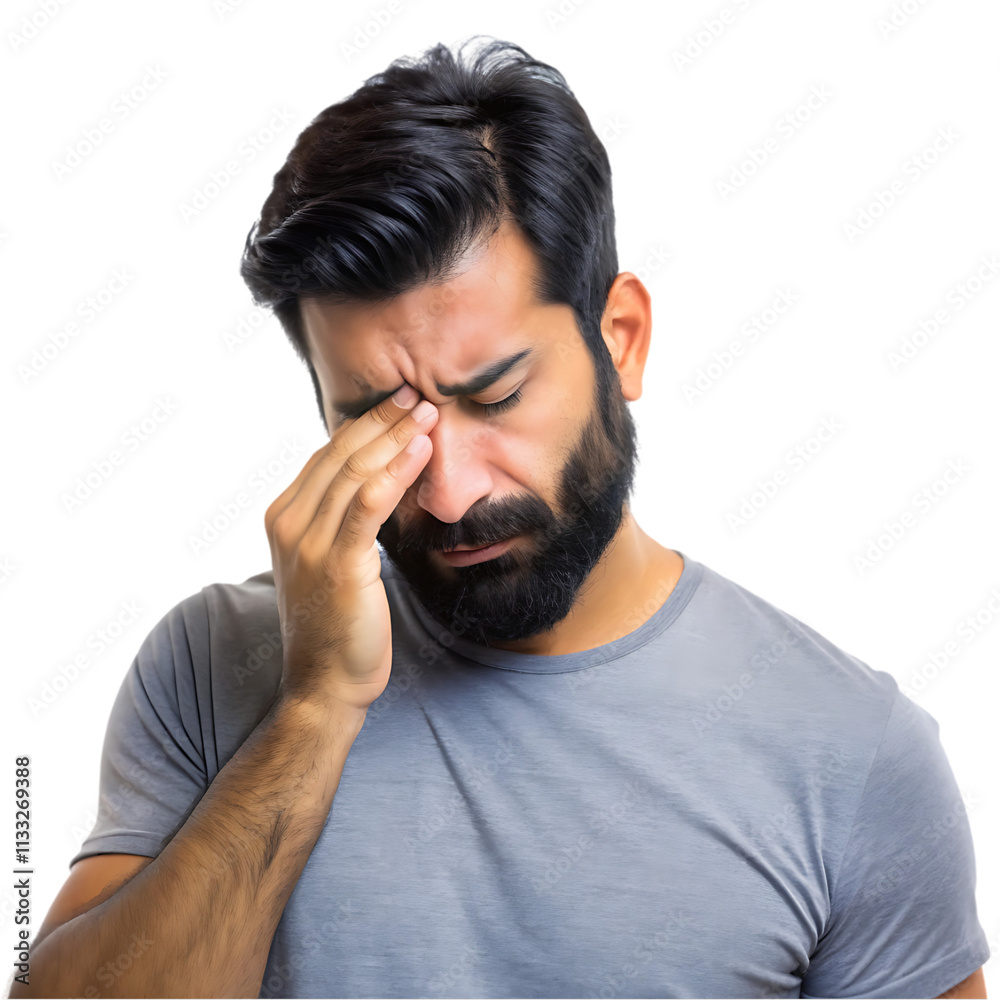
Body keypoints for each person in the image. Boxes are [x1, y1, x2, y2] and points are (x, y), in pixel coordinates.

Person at [16, 37, 989, 1000]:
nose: (448, 494)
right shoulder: (214, 664)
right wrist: (315, 708)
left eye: (496, 396)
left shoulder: (852, 751)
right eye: (377, 424)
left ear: (622, 340)